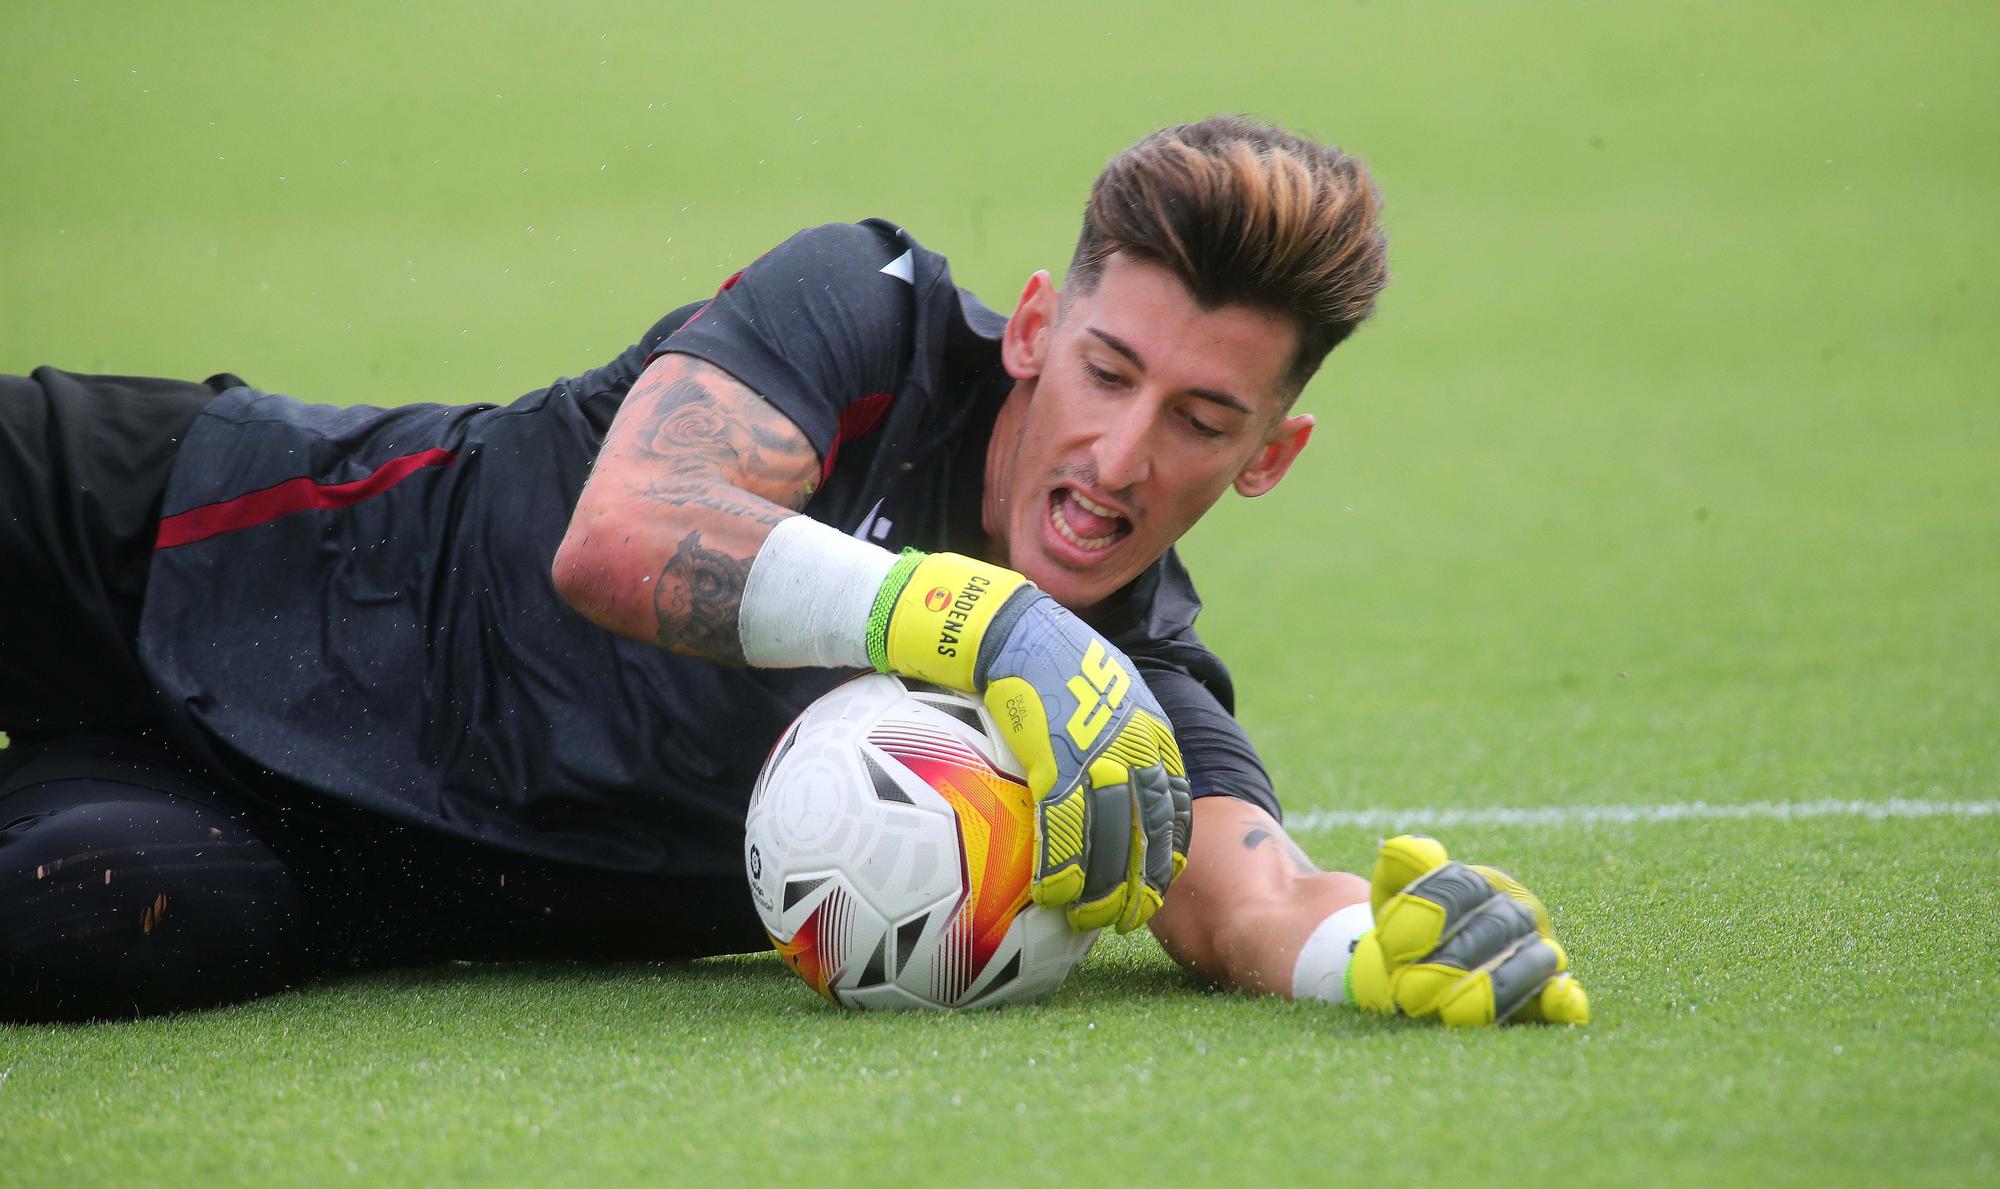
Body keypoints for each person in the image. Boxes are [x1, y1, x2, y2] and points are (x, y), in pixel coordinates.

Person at [1, 117, 1587, 1025]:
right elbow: (626, 537)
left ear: (1268, 459)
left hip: (298, 844)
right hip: (163, 528)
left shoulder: (1126, 697)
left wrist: (1370, 949)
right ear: (1035, 326)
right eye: (1106, 370)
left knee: (73, 917)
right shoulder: (870, 317)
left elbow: (1241, 886)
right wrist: (984, 620)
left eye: (1200, 418)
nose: (1118, 452)